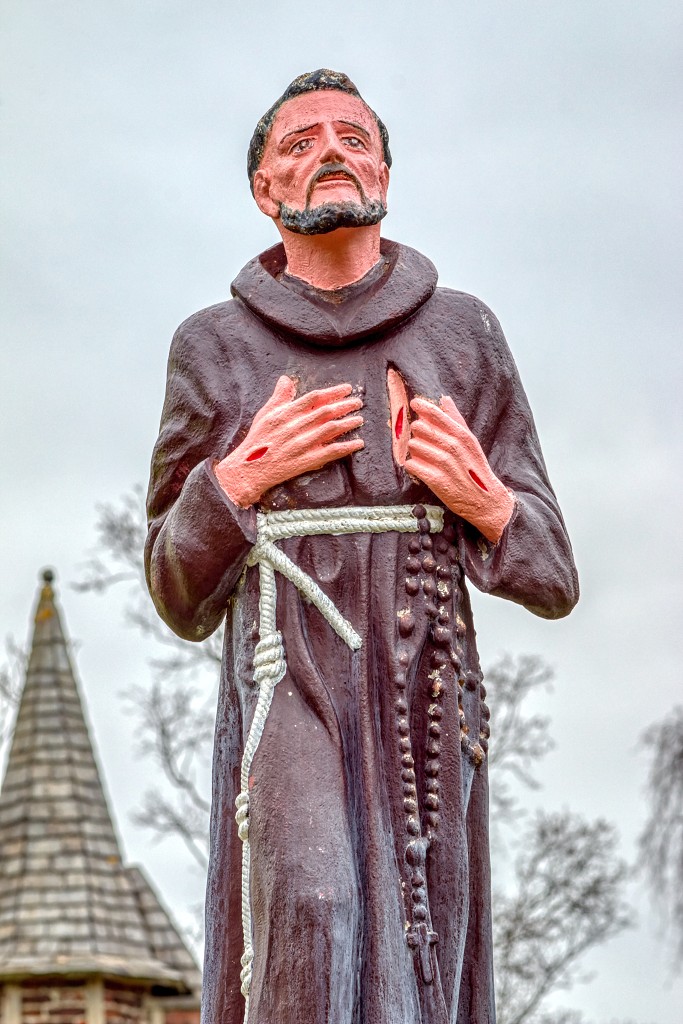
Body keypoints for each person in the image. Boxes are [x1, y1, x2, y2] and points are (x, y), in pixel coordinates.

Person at [145, 69, 578, 1024]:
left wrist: (484, 500)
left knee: (420, 952)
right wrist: (237, 482)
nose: (329, 151)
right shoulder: (212, 347)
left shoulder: (463, 334)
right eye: (297, 144)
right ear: (265, 191)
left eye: (351, 136)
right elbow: (175, 591)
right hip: (286, 661)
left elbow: (553, 575)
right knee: (310, 901)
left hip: (424, 670)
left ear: (384, 168)